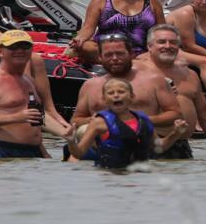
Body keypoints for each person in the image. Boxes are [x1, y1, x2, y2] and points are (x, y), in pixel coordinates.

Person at [68, 32, 177, 160]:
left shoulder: (154, 80)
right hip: (100, 144)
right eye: (108, 55)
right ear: (100, 58)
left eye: (120, 53)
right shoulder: (90, 85)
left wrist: (138, 121)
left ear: (131, 55)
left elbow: (175, 114)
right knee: (74, 153)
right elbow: (76, 120)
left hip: (144, 143)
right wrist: (96, 121)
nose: (114, 58)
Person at [71, 75, 187, 167]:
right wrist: (71, 141)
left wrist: (176, 133)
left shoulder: (143, 120)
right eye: (110, 93)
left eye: (121, 92)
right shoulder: (99, 122)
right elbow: (79, 153)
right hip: (108, 175)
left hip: (139, 175)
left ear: (132, 96)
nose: (116, 95)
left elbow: (160, 147)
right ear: (104, 99)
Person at [134, 24, 206, 159]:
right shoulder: (135, 71)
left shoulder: (190, 75)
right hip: (147, 144)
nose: (168, 46)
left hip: (181, 146)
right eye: (162, 42)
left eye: (173, 42)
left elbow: (205, 115)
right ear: (149, 46)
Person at [69, 0, 166, 65]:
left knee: (159, 51)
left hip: (140, 52)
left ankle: (122, 61)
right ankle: (128, 62)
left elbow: (162, 31)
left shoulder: (153, 3)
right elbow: (88, 28)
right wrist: (79, 39)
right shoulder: (100, 1)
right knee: (86, 47)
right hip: (106, 49)